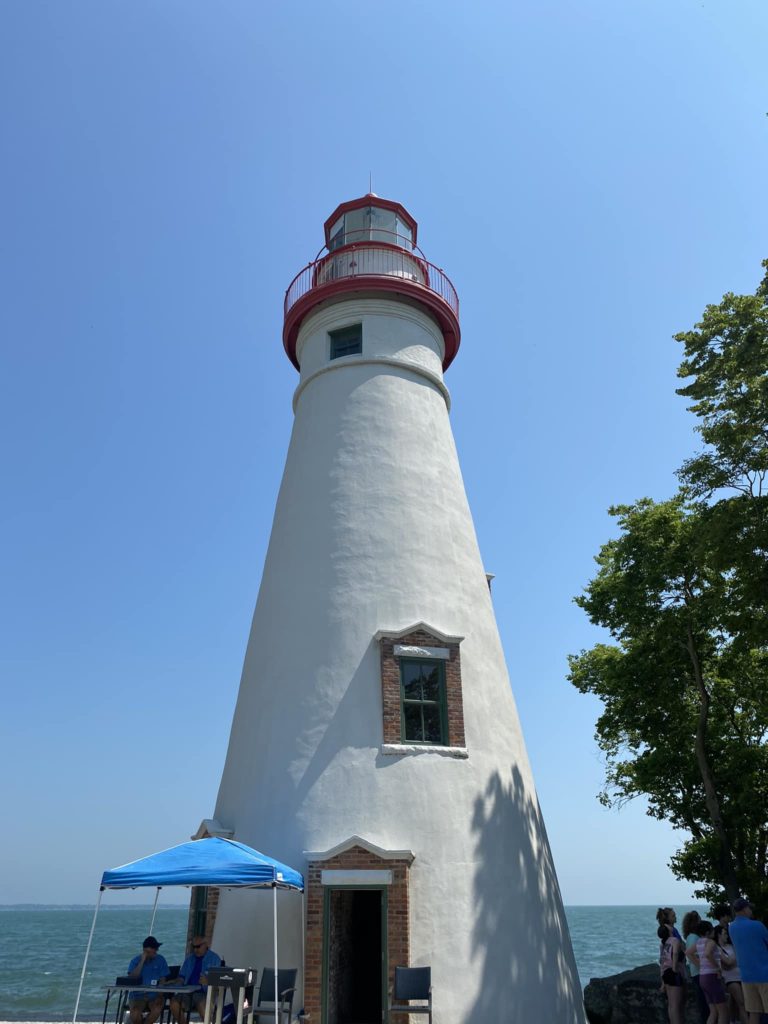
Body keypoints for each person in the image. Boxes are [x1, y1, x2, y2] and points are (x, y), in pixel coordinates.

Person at [728, 898, 768, 1024]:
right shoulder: (757, 925)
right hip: (764, 974)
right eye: (749, 908)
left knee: (754, 1013)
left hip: (746, 976)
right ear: (745, 909)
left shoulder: (731, 928)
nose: (751, 911)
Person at [168, 935, 222, 1024]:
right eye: (193, 947)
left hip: (205, 993)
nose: (196, 949)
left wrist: (208, 981)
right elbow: (182, 977)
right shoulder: (189, 959)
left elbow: (220, 982)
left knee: (203, 1006)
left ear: (206, 945)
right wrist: (176, 982)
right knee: (173, 1003)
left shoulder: (214, 959)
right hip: (187, 993)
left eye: (198, 946)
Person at [127, 936, 170, 1024]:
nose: (156, 951)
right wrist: (142, 961)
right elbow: (132, 977)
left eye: (156, 949)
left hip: (154, 995)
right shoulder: (135, 961)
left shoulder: (160, 960)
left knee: (157, 1008)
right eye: (153, 949)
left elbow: (163, 980)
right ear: (145, 950)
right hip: (137, 996)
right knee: (135, 1014)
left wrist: (160, 995)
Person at [694, 920, 729, 1024]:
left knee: (713, 1011)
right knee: (723, 1011)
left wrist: (700, 964)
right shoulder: (711, 942)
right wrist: (717, 967)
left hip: (703, 977)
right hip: (711, 977)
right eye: (712, 929)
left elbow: (688, 952)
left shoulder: (699, 942)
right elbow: (708, 954)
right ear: (708, 932)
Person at [714, 924, 748, 1024]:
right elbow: (727, 963)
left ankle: (735, 1020)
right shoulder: (717, 948)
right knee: (741, 1003)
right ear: (718, 935)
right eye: (724, 934)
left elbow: (733, 961)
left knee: (737, 1003)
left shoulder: (731, 945)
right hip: (730, 979)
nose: (727, 936)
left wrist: (733, 961)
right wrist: (735, 959)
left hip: (740, 976)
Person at [684, 910, 710, 1024]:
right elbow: (692, 954)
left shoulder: (691, 937)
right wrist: (702, 966)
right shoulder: (694, 938)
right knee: (704, 1002)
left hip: (697, 973)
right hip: (699, 973)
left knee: (704, 1001)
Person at [659, 923, 686, 1024]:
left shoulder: (663, 943)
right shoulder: (675, 940)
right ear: (669, 931)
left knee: (671, 1005)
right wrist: (675, 968)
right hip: (673, 972)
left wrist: (662, 981)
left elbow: (661, 961)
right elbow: (675, 953)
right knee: (676, 1006)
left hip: (666, 973)